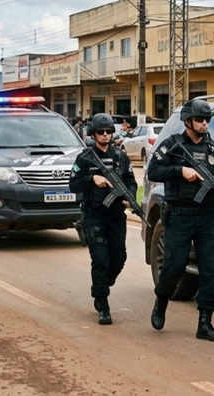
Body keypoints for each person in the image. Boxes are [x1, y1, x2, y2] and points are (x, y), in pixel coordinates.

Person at [147, 99, 214, 342]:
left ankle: (205, 322)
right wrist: (180, 171)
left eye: (207, 120)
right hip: (180, 215)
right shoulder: (173, 145)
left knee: (211, 268)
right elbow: (153, 170)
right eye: (200, 120)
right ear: (187, 122)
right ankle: (161, 301)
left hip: (206, 217)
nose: (204, 124)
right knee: (174, 267)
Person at [69, 113, 138, 325]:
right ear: (93, 134)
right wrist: (92, 179)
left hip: (116, 215)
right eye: (101, 132)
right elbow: (73, 184)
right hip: (94, 214)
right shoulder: (85, 158)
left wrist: (130, 197)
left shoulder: (120, 156)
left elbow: (131, 181)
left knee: (118, 258)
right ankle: (103, 304)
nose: (105, 135)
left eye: (108, 131)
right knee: (100, 259)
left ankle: (102, 286)